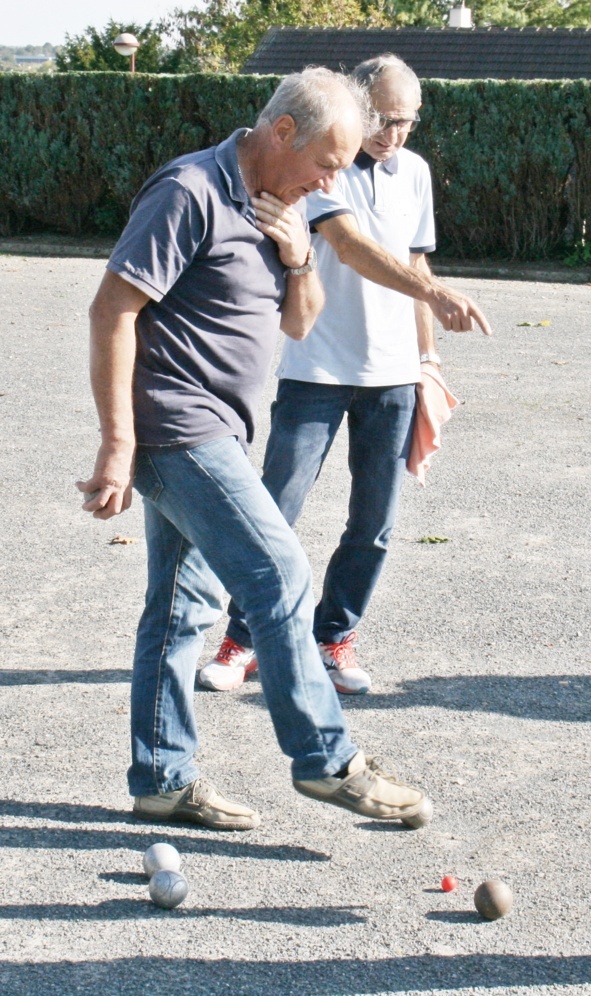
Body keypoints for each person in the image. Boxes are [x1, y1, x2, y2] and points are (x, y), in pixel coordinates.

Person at [77, 67, 431, 832]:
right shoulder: (190, 192)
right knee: (281, 574)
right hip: (176, 427)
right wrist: (116, 443)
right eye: (327, 163)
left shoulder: (282, 206)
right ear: (280, 134)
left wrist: (300, 255)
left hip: (226, 430)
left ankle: (162, 778)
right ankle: (328, 761)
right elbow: (113, 308)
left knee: (179, 608)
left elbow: (299, 323)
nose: (333, 179)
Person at [199, 53, 490, 696]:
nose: (395, 134)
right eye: (385, 119)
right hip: (318, 366)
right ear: (358, 108)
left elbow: (412, 261)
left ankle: (333, 637)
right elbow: (352, 247)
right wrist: (438, 290)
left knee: (375, 522)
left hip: (393, 374)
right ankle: (242, 638)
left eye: (409, 122)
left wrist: (428, 358)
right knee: (275, 510)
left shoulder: (413, 172)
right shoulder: (324, 165)